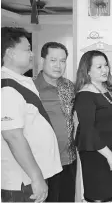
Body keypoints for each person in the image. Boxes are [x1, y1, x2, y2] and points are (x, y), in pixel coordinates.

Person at [1, 27, 62, 202]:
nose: (32, 54)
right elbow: (12, 135)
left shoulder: (21, 81)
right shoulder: (7, 86)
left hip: (31, 177)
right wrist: (36, 177)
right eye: (27, 49)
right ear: (10, 53)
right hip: (22, 181)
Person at [74, 50, 112, 202]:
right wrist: (109, 155)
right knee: (97, 195)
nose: (105, 70)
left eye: (106, 65)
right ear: (87, 71)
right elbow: (89, 129)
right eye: (99, 67)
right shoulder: (85, 95)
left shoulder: (107, 90)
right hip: (96, 153)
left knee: (108, 193)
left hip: (110, 150)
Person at [33, 42, 77, 202]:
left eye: (63, 61)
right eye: (53, 60)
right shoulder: (31, 88)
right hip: (42, 162)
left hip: (68, 159)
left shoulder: (69, 86)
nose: (58, 65)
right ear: (42, 60)